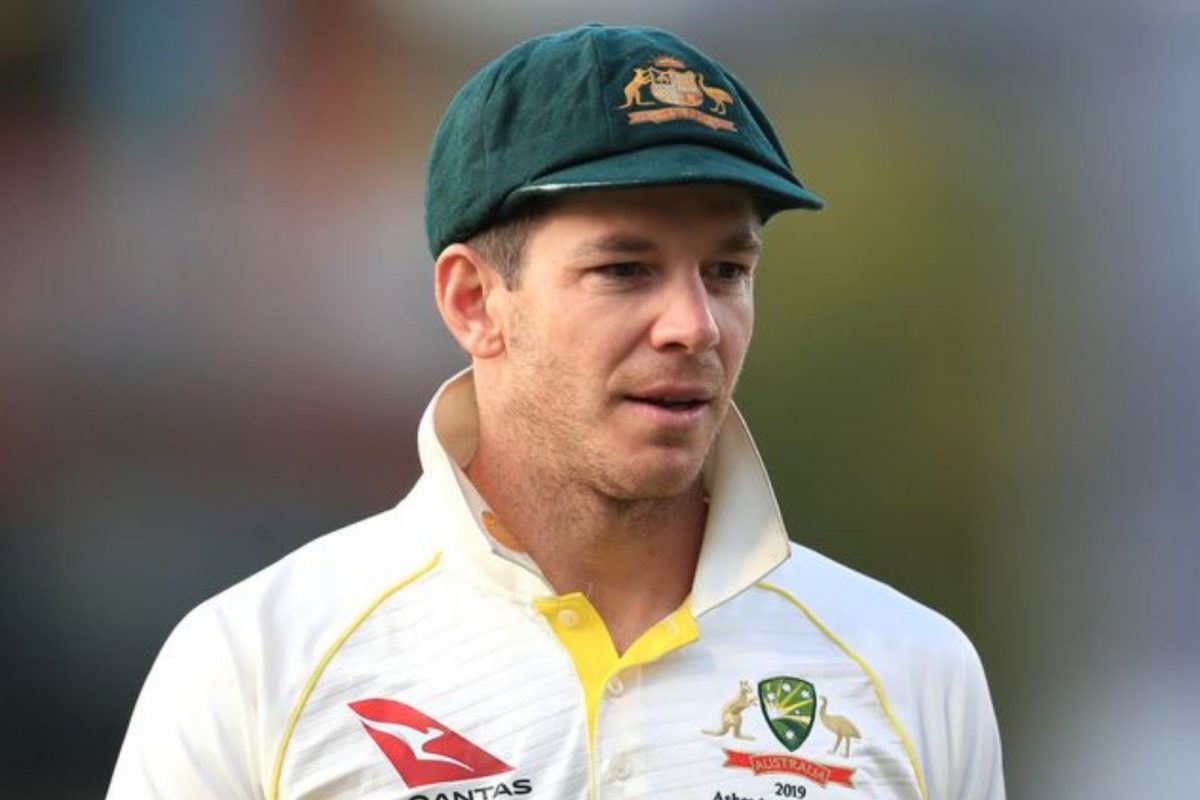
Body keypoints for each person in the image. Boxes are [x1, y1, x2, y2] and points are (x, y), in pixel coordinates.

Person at [107, 23, 1004, 800]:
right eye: (625, 269)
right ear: (473, 302)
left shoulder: (910, 669)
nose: (694, 324)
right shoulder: (258, 664)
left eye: (727, 271)